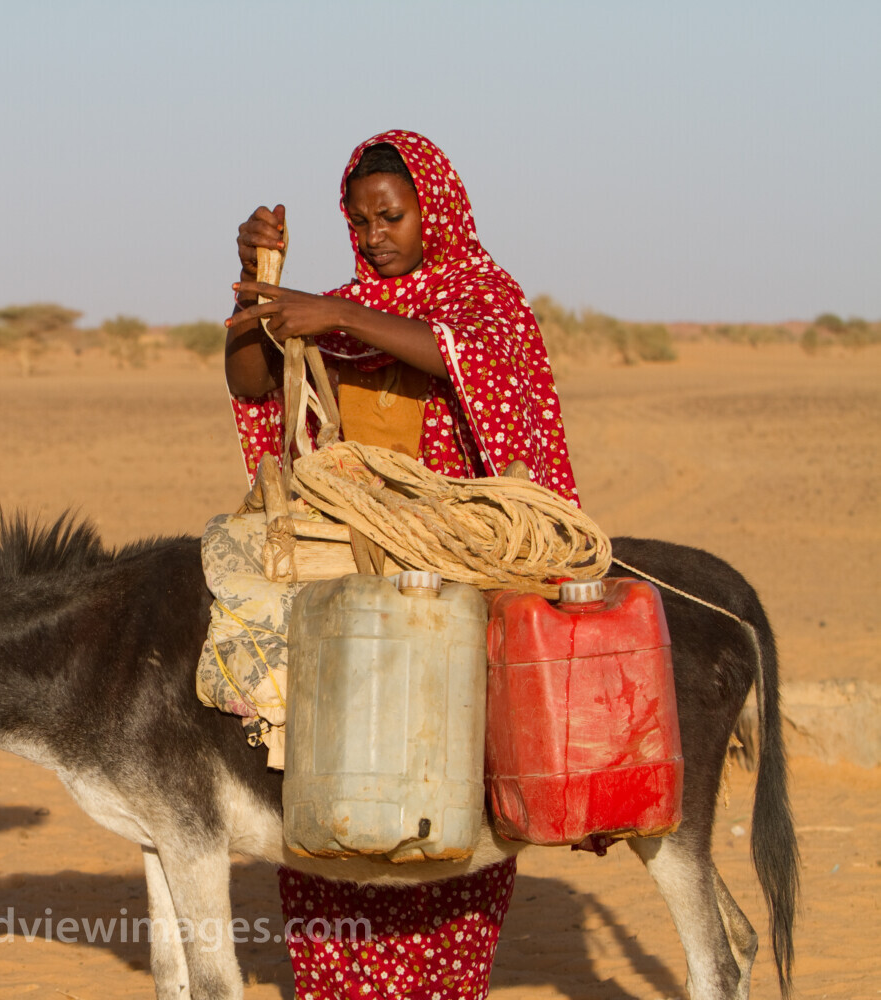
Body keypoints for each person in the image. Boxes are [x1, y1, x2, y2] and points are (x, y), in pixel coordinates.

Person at [223, 131, 578, 998]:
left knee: (450, 778)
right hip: (349, 568)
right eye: (361, 219)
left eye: (393, 214)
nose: (376, 234)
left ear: (437, 210)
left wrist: (338, 317)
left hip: (457, 567)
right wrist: (258, 287)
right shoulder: (333, 300)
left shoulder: (486, 300)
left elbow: (477, 366)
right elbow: (251, 385)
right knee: (325, 771)